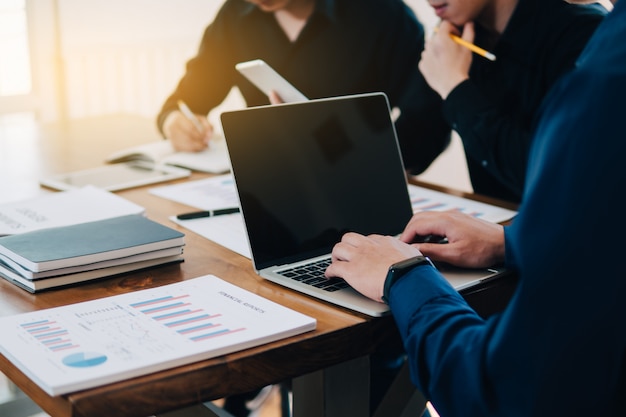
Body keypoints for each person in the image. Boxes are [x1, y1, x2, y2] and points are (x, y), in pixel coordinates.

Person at [325, 0, 626, 414]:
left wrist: (456, 88)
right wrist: (510, 241)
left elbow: (542, 179)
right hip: (518, 257)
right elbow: (415, 138)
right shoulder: (454, 37)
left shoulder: (590, 47)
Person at [157, 0, 450, 177]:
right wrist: (174, 122)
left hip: (353, 183)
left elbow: (428, 119)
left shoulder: (385, 15)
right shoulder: (234, 15)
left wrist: (376, 165)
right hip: (265, 182)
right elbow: (188, 99)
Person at [418, 0, 607, 203]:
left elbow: (555, 178)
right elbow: (417, 144)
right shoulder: (460, 33)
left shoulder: (583, 32)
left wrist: (454, 87)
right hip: (495, 226)